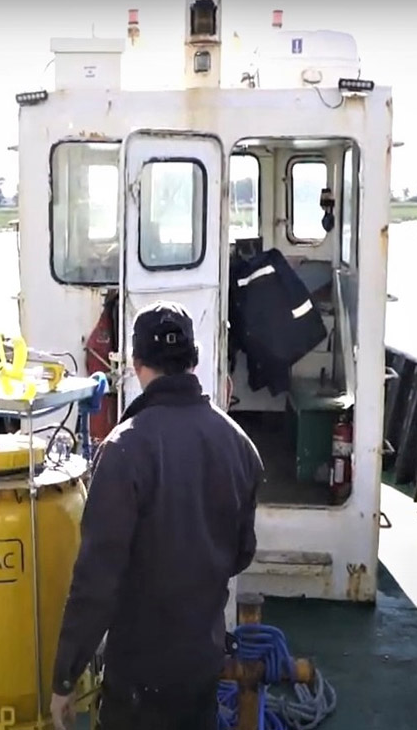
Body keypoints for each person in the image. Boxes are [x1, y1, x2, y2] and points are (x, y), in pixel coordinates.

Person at [50, 300, 263, 730]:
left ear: (134, 362)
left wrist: (65, 677)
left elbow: (97, 580)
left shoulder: (124, 448)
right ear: (194, 359)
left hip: (138, 675)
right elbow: (241, 554)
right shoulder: (240, 445)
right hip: (201, 661)